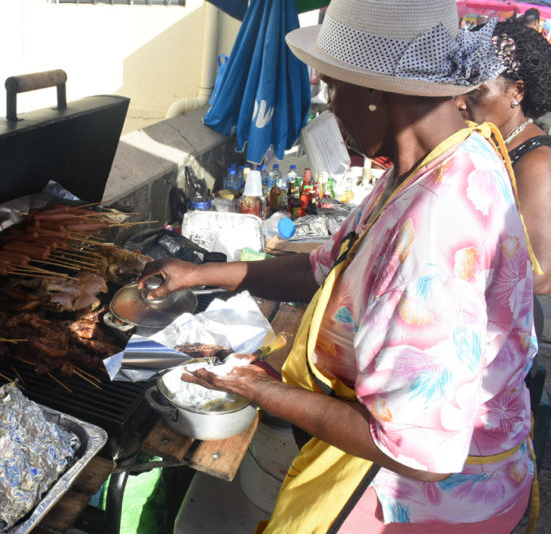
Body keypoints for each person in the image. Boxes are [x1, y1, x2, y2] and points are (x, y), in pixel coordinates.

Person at [139, 0, 540, 531]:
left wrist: (262, 390)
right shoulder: (438, 160)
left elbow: (417, 449)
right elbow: (325, 268)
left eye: (333, 88)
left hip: (424, 505)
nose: (330, 110)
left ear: (375, 91)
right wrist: (200, 274)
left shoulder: (435, 225)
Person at [456, 21, 551, 340]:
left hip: (505, 336)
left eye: (476, 90)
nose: (459, 102)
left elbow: (539, 274)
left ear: (518, 91)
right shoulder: (488, 146)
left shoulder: (537, 162)